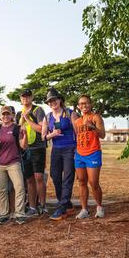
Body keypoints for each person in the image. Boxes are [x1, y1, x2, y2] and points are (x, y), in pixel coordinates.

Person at [42, 89, 78, 221]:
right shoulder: (47, 117)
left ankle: (62, 208)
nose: (52, 103)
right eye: (50, 101)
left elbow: (78, 133)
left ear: (60, 100)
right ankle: (66, 203)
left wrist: (78, 150)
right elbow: (43, 137)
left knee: (68, 177)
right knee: (55, 176)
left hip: (70, 148)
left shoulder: (70, 113)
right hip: (56, 149)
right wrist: (53, 134)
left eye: (54, 100)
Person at [15, 89, 48, 218]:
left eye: (28, 96)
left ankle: (43, 206)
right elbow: (18, 131)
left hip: (37, 147)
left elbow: (41, 129)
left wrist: (28, 119)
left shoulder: (38, 110)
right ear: (20, 99)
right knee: (29, 179)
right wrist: (22, 121)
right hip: (25, 149)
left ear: (32, 97)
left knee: (39, 177)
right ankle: (33, 207)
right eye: (23, 97)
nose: (25, 99)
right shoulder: (19, 113)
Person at [0, 106, 27, 225]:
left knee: (19, 187)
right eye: (3, 114)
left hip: (13, 162)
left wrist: (25, 136)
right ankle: (4, 214)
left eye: (8, 114)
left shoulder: (16, 128)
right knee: (2, 190)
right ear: (0, 116)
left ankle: (20, 214)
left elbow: (23, 146)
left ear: (12, 116)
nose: (5, 116)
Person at [73, 94, 106, 219]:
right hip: (80, 154)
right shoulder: (77, 121)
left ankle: (99, 207)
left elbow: (102, 134)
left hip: (93, 153)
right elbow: (78, 137)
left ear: (91, 104)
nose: (84, 105)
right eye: (81, 104)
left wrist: (92, 127)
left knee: (93, 182)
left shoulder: (95, 117)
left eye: (86, 103)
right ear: (78, 106)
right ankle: (84, 209)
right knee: (81, 181)